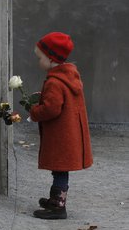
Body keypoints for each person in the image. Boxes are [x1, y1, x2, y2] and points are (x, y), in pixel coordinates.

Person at [28, 32, 93, 220]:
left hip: (61, 136)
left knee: (60, 170)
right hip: (68, 135)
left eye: (39, 58)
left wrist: (34, 111)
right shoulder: (69, 77)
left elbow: (51, 109)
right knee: (59, 169)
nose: (38, 62)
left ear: (50, 58)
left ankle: (58, 206)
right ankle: (55, 200)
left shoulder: (55, 82)